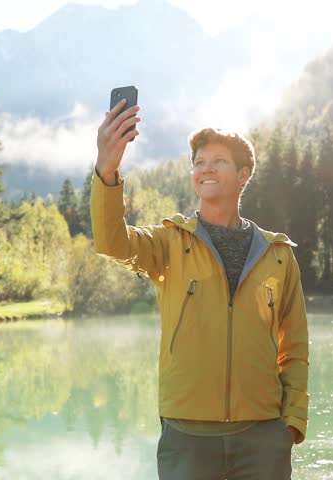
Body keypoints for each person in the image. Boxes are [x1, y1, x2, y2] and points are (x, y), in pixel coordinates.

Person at [91, 98, 309, 480]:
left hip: (262, 436)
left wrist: (289, 424)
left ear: (244, 175)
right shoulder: (170, 243)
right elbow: (112, 242)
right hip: (187, 435)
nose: (205, 168)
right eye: (199, 162)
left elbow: (295, 348)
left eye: (217, 161)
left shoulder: (278, 255)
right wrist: (107, 170)